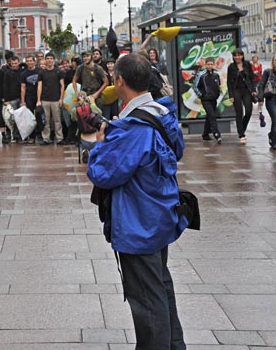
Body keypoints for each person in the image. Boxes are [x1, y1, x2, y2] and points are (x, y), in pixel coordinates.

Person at [87, 53, 187, 350]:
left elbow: (103, 174)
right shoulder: (162, 113)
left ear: (119, 81)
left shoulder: (131, 129)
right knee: (160, 289)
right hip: (161, 216)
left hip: (138, 224)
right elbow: (176, 151)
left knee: (146, 300)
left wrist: (100, 144)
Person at [226, 49, 256, 144]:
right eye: (235, 56)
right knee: (239, 113)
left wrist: (254, 90)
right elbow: (229, 82)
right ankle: (241, 135)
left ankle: (241, 128)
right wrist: (230, 95)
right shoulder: (231, 67)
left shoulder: (247, 64)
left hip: (246, 90)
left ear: (242, 56)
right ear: (233, 57)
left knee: (248, 111)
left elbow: (252, 78)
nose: (237, 57)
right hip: (236, 91)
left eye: (239, 55)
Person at [37, 53, 66, 145]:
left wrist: (61, 99)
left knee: (57, 120)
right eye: (48, 58)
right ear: (45, 60)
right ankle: (46, 138)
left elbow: (62, 86)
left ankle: (59, 138)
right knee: (46, 120)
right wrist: (38, 100)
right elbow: (39, 86)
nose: (49, 60)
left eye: (51, 58)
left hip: (56, 100)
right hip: (44, 99)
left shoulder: (58, 72)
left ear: (54, 60)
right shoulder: (42, 72)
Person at [260, 54, 276, 150]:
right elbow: (262, 84)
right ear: (273, 61)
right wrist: (260, 99)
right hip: (271, 100)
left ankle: (271, 135)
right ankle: (275, 143)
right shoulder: (268, 72)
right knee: (275, 121)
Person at [194, 57, 222, 144]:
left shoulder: (216, 75)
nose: (210, 66)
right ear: (205, 65)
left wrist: (218, 94)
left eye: (211, 64)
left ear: (214, 64)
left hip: (214, 99)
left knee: (209, 116)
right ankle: (216, 134)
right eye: (208, 64)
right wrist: (202, 95)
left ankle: (205, 134)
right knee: (212, 115)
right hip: (205, 99)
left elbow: (218, 85)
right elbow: (195, 87)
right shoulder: (201, 75)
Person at [20, 56, 41, 144]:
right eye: (27, 61)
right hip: (29, 97)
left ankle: (40, 135)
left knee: (39, 115)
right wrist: (23, 101)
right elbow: (23, 88)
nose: (29, 62)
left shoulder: (40, 71)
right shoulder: (23, 74)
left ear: (34, 61)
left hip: (39, 96)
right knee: (30, 117)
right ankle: (31, 136)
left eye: (31, 61)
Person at [2, 55, 22, 143]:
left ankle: (20, 135)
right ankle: (14, 135)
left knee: (20, 118)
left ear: (18, 63)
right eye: (12, 63)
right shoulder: (7, 73)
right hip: (11, 99)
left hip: (21, 98)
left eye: (16, 63)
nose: (14, 65)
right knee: (12, 118)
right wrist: (6, 100)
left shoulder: (22, 72)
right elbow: (5, 86)